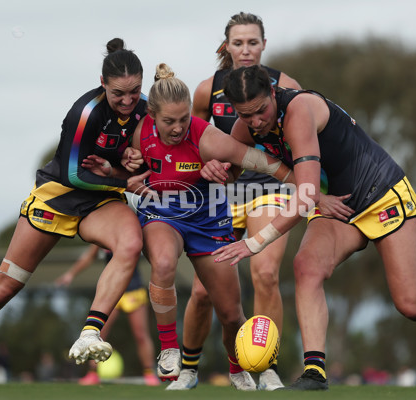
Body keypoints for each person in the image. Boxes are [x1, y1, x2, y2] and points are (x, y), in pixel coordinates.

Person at [213, 65, 416, 390]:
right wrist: (222, 169)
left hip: (382, 193)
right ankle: (315, 372)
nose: (256, 121)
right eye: (245, 115)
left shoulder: (298, 111)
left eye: (261, 110)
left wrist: (254, 242)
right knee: (307, 267)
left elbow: (306, 194)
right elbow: (235, 165)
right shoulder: (244, 128)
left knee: (411, 304)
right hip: (340, 205)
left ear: (272, 93)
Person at [0, 38, 150, 389]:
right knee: (3, 289)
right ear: (102, 83)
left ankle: (90, 333)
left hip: (102, 199)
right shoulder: (85, 112)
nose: (127, 101)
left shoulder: (146, 110)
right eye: (118, 93)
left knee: (130, 242)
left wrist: (133, 165)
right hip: (59, 196)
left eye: (135, 91)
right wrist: (125, 180)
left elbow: (150, 160)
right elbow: (73, 175)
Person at [83, 63, 293, 391]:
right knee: (164, 263)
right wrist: (114, 172)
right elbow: (117, 166)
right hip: (162, 212)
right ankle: (170, 351)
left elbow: (254, 160)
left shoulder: (206, 137)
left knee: (231, 314)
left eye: (184, 119)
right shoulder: (139, 132)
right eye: (169, 121)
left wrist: (306, 186)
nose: (178, 127)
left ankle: (237, 367)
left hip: (209, 217)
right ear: (151, 115)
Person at [169, 12, 302, 391]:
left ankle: (267, 367)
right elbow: (186, 141)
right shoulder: (205, 90)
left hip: (270, 188)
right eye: (238, 43)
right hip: (221, 194)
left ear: (263, 45)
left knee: (265, 274)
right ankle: (189, 370)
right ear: (227, 46)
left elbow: (301, 136)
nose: (246, 50)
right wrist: (206, 163)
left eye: (253, 42)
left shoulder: (285, 85)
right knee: (201, 290)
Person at [54, 244, 160, 386]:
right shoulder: (104, 235)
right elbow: (88, 257)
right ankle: (92, 374)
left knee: (141, 335)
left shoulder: (134, 230)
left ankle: (149, 374)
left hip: (134, 290)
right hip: (112, 290)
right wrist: (70, 274)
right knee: (96, 332)